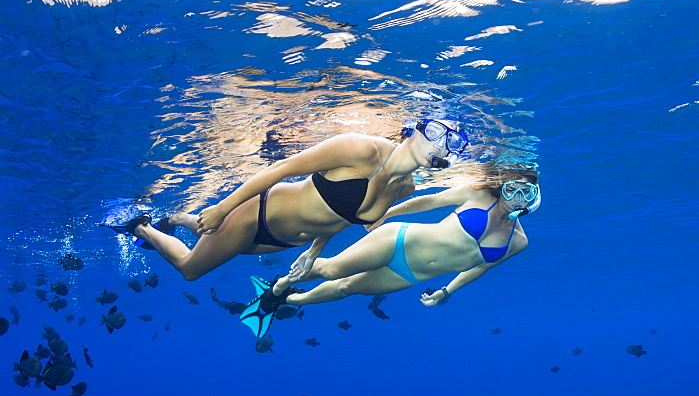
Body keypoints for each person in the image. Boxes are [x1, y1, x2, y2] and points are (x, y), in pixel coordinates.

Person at [105, 119, 471, 281]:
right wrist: (222, 207)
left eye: (451, 143)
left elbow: (344, 218)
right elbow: (281, 168)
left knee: (206, 237)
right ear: (415, 128)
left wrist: (312, 252)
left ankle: (182, 219)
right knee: (190, 269)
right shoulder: (360, 148)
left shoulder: (405, 187)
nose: (439, 144)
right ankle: (142, 225)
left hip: (279, 242)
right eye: (436, 131)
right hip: (256, 216)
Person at [240, 166, 540, 337]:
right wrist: (386, 214)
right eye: (511, 188)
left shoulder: (518, 241)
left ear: (534, 197)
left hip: (410, 274)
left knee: (346, 289)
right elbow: (429, 202)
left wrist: (446, 292)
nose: (516, 197)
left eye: (525, 192)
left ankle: (286, 300)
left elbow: (480, 267)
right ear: (502, 186)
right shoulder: (477, 194)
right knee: (331, 270)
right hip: (400, 240)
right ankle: (280, 283)